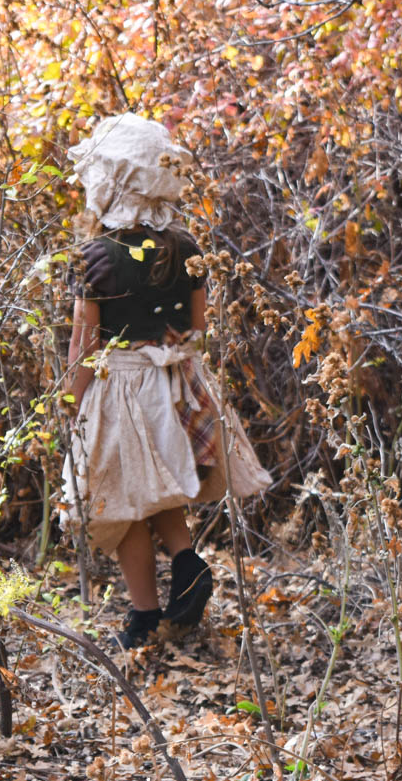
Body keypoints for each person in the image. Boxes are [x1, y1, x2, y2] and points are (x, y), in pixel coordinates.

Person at [59, 114, 272, 649]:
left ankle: (144, 615)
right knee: (154, 489)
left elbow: (84, 345)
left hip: (119, 387)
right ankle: (186, 566)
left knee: (124, 498)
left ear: (109, 182)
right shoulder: (185, 245)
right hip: (177, 380)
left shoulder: (94, 258)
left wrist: (71, 400)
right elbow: (198, 328)